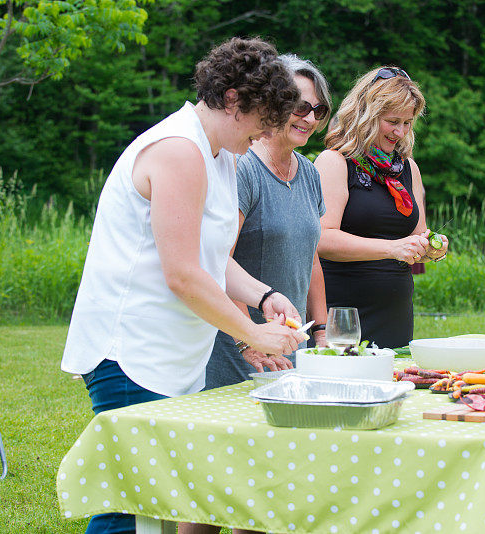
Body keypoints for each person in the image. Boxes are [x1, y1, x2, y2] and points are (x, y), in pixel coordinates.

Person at [60, 37, 308, 534]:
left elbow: (211, 258)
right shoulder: (178, 150)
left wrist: (261, 297)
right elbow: (182, 274)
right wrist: (253, 334)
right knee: (128, 506)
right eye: (264, 116)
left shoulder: (222, 154)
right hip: (129, 352)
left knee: (154, 504)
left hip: (171, 355)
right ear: (233, 99)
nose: (266, 131)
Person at [204, 53, 332, 389]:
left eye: (318, 111)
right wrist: (248, 340)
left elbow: (311, 257)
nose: (310, 118)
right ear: (274, 105)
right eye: (300, 107)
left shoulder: (310, 173)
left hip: (291, 342)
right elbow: (219, 260)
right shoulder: (242, 168)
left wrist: (320, 330)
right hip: (241, 347)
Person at [314, 66, 448, 348]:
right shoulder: (334, 162)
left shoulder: (408, 168)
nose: (400, 131)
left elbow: (417, 238)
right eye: (392, 121)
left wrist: (432, 248)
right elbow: (322, 239)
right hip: (344, 315)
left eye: (408, 123)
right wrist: (392, 248)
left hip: (396, 316)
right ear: (367, 115)